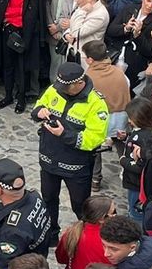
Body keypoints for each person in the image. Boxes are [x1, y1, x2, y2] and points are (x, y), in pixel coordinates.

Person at [30, 62, 110, 230]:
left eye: (66, 87)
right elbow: (38, 105)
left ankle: (85, 237)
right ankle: (51, 233)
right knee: (48, 199)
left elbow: (94, 138)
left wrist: (64, 134)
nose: (60, 89)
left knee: (80, 207)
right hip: (49, 159)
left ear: (79, 83)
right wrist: (39, 112)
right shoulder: (57, 88)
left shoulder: (96, 103)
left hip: (76, 167)